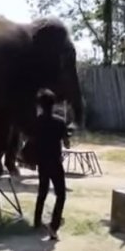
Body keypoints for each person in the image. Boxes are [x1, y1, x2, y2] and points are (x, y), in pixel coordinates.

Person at [32, 88, 70, 241]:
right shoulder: (60, 122)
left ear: (40, 105)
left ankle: (36, 221)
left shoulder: (37, 122)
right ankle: (54, 226)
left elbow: (32, 140)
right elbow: (67, 144)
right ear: (53, 104)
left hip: (42, 161)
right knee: (61, 194)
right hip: (55, 162)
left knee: (42, 191)